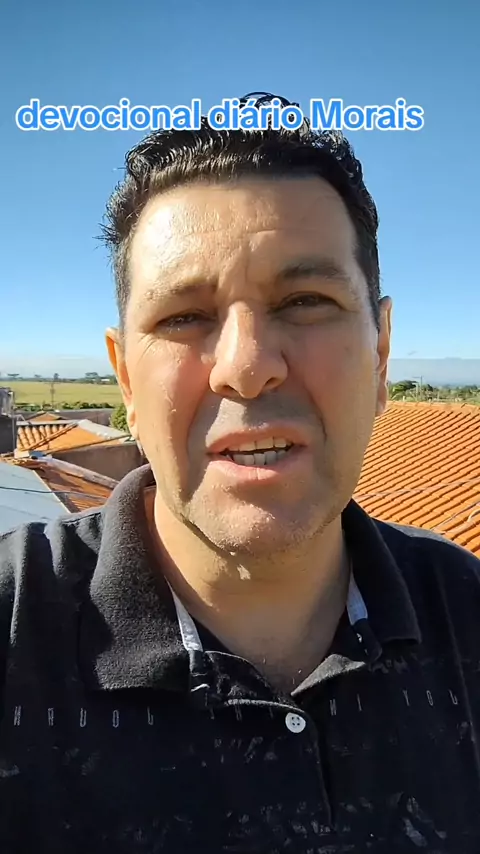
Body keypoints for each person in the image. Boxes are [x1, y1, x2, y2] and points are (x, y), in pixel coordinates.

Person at [1, 92, 480, 854]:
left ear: (382, 353)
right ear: (125, 380)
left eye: (306, 300)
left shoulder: (467, 615)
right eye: (183, 317)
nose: (247, 367)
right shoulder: (13, 625)